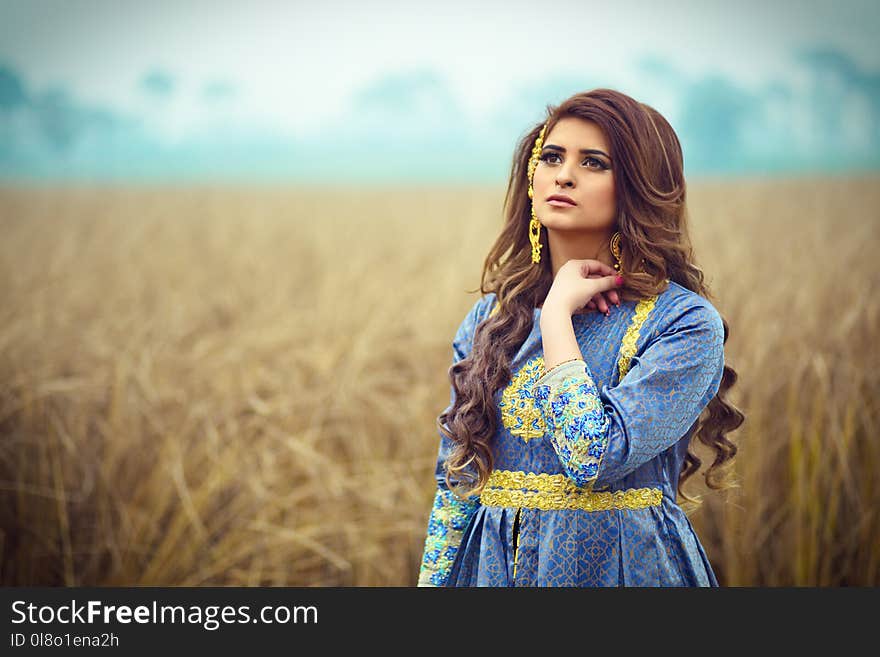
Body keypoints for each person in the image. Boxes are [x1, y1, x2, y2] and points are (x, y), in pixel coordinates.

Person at [416, 88, 744, 587]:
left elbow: (591, 458)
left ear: (637, 186)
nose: (564, 174)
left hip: (625, 570)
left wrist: (555, 322)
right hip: (491, 572)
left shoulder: (683, 324)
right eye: (551, 157)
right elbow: (456, 481)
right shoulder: (489, 318)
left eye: (593, 163)